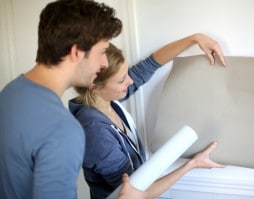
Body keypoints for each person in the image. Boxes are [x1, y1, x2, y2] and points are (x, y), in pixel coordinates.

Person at [0, 0, 131, 198]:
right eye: (102, 52)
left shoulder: (10, 93)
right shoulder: (63, 129)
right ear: (76, 52)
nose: (104, 64)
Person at [69, 34, 226, 199]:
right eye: (122, 79)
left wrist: (195, 39)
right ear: (94, 86)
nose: (130, 81)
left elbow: (151, 64)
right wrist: (192, 164)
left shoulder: (104, 99)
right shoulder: (95, 133)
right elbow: (136, 192)